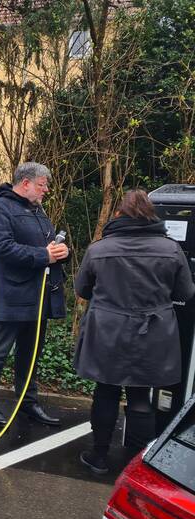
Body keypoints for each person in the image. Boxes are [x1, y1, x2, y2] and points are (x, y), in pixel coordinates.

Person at [74, 189, 195, 474]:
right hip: (153, 333)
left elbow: (82, 290)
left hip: (107, 331)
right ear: (151, 215)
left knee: (105, 391)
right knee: (141, 396)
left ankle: (98, 456)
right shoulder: (170, 249)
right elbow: (186, 292)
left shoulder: (99, 249)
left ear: (119, 214)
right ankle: (136, 464)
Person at [0, 162, 69, 427]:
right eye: (42, 185)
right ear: (26, 183)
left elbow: (49, 247)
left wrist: (62, 253)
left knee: (31, 354)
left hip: (39, 295)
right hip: (12, 293)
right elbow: (1, 248)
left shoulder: (38, 210)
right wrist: (44, 255)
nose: (46, 190)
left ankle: (27, 403)